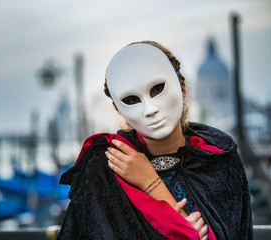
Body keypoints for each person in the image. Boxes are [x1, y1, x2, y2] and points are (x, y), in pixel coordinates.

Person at [57, 41, 252, 239]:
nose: (150, 110)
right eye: (131, 100)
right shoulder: (105, 167)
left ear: (182, 89)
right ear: (119, 110)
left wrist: (150, 183)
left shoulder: (218, 157)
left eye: (157, 88)